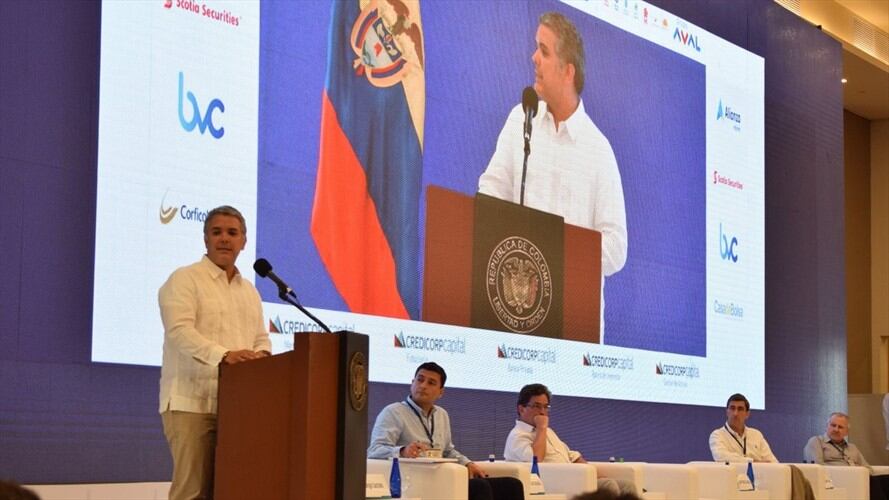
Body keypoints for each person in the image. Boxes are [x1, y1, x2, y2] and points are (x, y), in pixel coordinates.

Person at [478, 11, 628, 339]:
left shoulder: (598, 149)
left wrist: (554, 246)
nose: (533, 58)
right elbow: (490, 191)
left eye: (544, 51)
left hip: (572, 324)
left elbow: (616, 249)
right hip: (513, 310)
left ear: (567, 71)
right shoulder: (521, 119)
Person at [158, 205, 271, 500]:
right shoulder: (184, 279)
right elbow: (179, 332)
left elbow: (261, 339)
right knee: (192, 492)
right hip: (191, 402)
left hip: (236, 407)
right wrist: (225, 355)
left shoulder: (250, 291)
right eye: (216, 232)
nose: (224, 239)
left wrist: (261, 358)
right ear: (205, 239)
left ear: (243, 242)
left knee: (231, 489)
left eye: (232, 233)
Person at [368, 362, 524, 500]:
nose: (423, 385)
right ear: (412, 383)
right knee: (479, 487)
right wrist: (403, 451)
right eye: (420, 379)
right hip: (413, 480)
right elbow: (374, 450)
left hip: (442, 477)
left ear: (441, 392)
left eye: (431, 383)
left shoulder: (441, 414)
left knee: (511, 485)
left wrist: (467, 463)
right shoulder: (393, 412)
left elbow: (448, 451)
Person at [503, 384, 636, 495]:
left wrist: (595, 474)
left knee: (627, 486)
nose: (542, 412)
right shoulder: (517, 436)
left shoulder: (549, 432)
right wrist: (541, 428)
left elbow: (572, 457)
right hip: (551, 483)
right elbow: (536, 460)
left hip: (573, 477)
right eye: (537, 406)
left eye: (546, 407)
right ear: (521, 409)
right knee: (607, 486)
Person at [804, 412, 889, 500]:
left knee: (886, 479)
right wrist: (847, 471)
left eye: (840, 427)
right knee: (874, 482)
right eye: (833, 425)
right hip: (835, 479)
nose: (836, 429)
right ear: (827, 426)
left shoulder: (852, 447)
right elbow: (817, 467)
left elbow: (867, 467)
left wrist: (860, 473)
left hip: (858, 478)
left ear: (846, 432)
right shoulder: (816, 441)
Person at [709, 393, 778, 463]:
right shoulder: (717, 435)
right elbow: (721, 457)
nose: (735, 413)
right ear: (727, 412)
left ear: (747, 414)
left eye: (740, 409)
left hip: (757, 474)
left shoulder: (756, 435)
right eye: (732, 408)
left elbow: (772, 462)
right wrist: (752, 462)